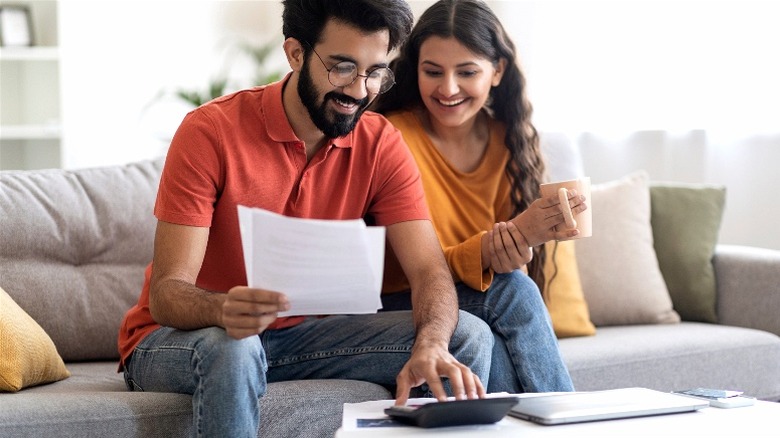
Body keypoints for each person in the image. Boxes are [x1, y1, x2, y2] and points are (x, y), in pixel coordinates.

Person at [117, 1, 494, 436]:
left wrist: (430, 344)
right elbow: (166, 295)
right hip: (182, 338)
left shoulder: (381, 143)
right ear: (295, 54)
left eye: (375, 72)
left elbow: (429, 269)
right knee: (235, 347)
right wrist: (222, 307)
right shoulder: (210, 131)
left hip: (296, 339)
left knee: (466, 335)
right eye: (342, 68)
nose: (359, 90)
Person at [372, 0, 584, 393]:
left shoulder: (509, 141)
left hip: (476, 302)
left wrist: (514, 251)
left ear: (497, 70)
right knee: (514, 292)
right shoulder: (392, 136)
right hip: (404, 300)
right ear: (413, 68)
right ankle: (569, 420)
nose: (448, 88)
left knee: (499, 332)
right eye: (432, 71)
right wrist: (488, 253)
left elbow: (501, 275)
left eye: (466, 72)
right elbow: (411, 270)